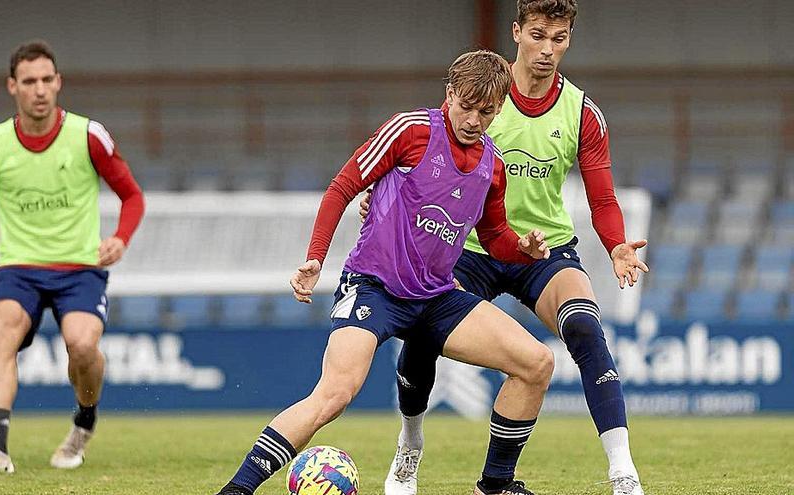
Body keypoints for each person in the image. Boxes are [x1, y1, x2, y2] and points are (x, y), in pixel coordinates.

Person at [213, 50, 554, 495]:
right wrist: (316, 256)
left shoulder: (493, 165)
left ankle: (495, 485)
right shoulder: (411, 130)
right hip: (374, 288)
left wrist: (524, 250)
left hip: (436, 297)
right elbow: (344, 185)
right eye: (466, 105)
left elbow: (494, 239)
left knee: (537, 363)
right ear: (449, 93)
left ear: (500, 107)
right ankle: (236, 490)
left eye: (486, 110)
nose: (473, 118)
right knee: (334, 394)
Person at [376, 2, 650, 495]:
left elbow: (602, 194)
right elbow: (424, 155)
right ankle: (409, 447)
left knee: (586, 328)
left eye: (560, 38)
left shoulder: (583, 112)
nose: (548, 49)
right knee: (421, 332)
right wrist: (385, 199)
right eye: (539, 35)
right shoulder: (483, 98)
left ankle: (622, 472)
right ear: (517, 32)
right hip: (471, 246)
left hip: (542, 250)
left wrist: (616, 247)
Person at [0, 40, 145, 474]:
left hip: (79, 269)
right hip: (19, 268)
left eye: (46, 80)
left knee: (82, 344)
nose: (39, 89)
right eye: (29, 81)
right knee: (1, 332)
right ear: (12, 86)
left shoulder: (89, 135)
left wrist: (120, 238)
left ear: (58, 83)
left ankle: (83, 424)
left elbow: (132, 196)